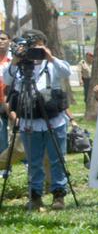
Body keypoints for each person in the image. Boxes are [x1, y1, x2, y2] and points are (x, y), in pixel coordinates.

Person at [2, 30, 71, 211]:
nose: (34, 51)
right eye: (31, 47)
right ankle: (35, 196)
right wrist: (16, 60)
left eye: (38, 46)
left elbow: (67, 71)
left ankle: (58, 195)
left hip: (54, 121)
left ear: (45, 45)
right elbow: (6, 79)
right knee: (34, 161)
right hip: (29, 122)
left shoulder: (52, 65)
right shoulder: (19, 68)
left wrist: (50, 57)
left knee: (57, 159)